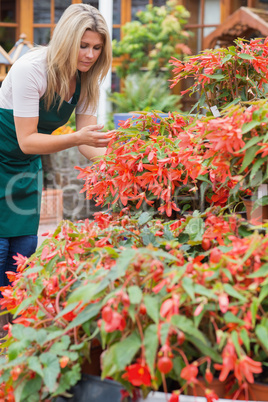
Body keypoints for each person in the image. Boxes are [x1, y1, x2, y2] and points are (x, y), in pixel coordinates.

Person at [0, 4, 112, 298]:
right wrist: (77, 138)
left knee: (22, 255)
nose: (90, 55)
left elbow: (88, 143)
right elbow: (28, 140)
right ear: (66, 40)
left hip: (24, 169)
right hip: (8, 156)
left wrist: (122, 164)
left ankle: (12, 335)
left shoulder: (87, 80)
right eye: (83, 45)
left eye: (97, 47)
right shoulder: (31, 69)